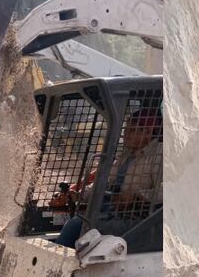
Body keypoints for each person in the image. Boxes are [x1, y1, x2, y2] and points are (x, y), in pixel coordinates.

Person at [54, 106, 163, 247]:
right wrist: (78, 195)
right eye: (125, 129)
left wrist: (136, 197)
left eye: (130, 130)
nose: (125, 134)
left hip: (138, 220)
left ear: (147, 132)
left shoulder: (159, 154)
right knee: (77, 225)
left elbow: (167, 192)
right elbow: (104, 184)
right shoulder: (126, 154)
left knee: (77, 226)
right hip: (111, 211)